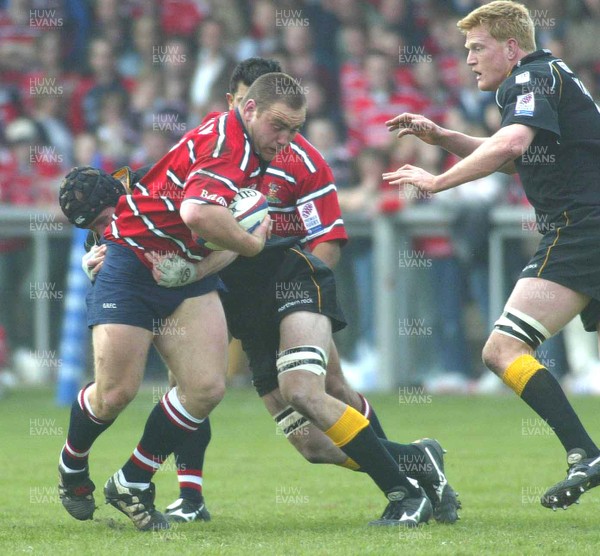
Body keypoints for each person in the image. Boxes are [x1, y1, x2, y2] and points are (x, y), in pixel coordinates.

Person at [63, 59, 460, 528]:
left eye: (292, 126)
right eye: (244, 104)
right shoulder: (220, 146)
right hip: (236, 299)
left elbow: (327, 239)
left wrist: (307, 307)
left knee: (313, 389)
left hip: (292, 287)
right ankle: (415, 464)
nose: (284, 135)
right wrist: (106, 246)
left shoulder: (300, 159)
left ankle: (402, 492)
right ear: (241, 104)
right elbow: (143, 197)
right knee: (305, 442)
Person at [56, 72, 300, 531]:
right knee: (115, 394)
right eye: (279, 125)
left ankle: (131, 480)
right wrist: (254, 242)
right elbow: (197, 213)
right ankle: (72, 465)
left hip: (183, 272)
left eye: (294, 129)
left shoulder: (252, 148)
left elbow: (212, 232)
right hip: (132, 264)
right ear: (249, 109)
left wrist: (200, 267)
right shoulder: (229, 148)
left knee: (206, 388)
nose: (285, 138)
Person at [383, 0, 600, 510]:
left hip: (581, 229)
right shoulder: (548, 77)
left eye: (478, 48)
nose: (470, 59)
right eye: (465, 50)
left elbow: (510, 146)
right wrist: (442, 137)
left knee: (502, 350)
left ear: (510, 47)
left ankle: (584, 453)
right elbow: (514, 154)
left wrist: (436, 181)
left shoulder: (529, 78)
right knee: (505, 350)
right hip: (587, 226)